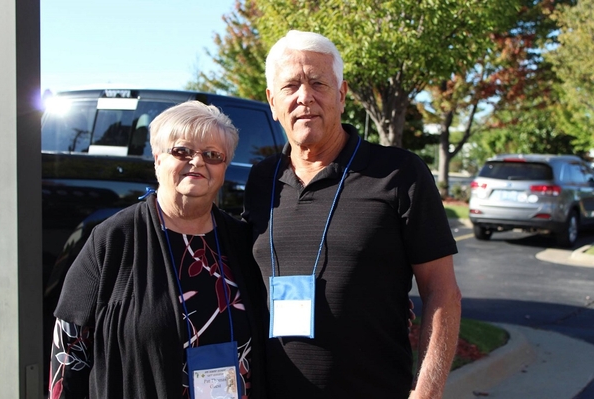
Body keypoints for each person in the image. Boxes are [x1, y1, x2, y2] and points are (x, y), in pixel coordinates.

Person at [242, 30, 462, 399]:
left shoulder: (398, 173)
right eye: (290, 86)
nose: (304, 97)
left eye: (318, 83)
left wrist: (427, 392)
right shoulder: (262, 179)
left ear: (342, 96)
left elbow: (443, 291)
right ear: (272, 101)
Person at [49, 101, 267, 399]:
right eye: (182, 151)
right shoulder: (113, 239)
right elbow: (69, 351)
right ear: (157, 160)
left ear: (225, 166)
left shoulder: (243, 242)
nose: (198, 162)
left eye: (212, 155)